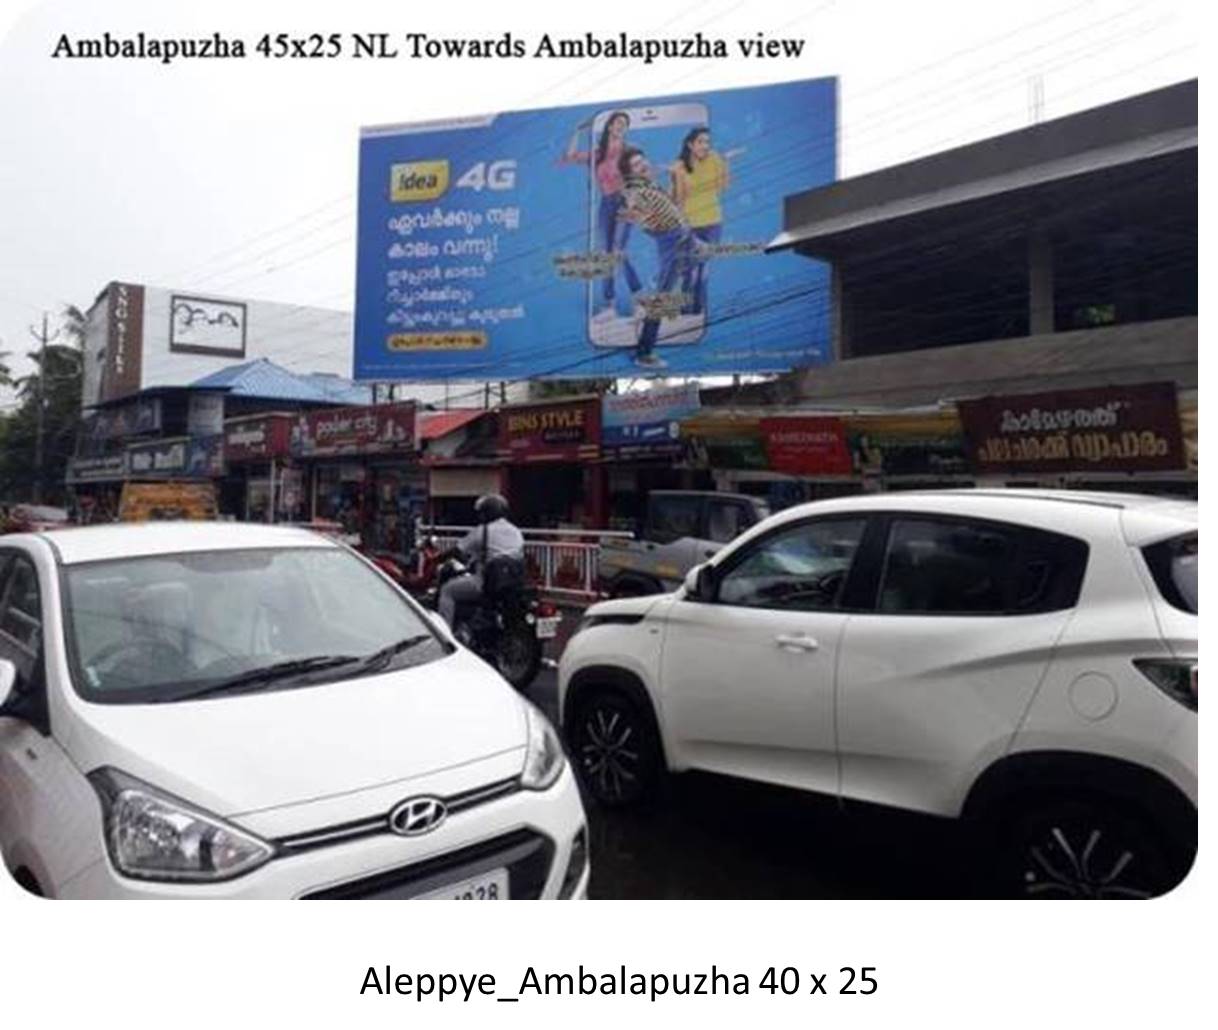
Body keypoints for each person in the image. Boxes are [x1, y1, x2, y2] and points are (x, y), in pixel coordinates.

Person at [617, 145, 703, 369]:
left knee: (701, 261)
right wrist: (634, 212)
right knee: (662, 298)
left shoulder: (649, 185)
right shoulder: (636, 191)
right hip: (672, 241)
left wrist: (675, 178)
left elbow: (675, 204)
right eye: (636, 165)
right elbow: (639, 213)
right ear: (630, 173)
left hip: (685, 235)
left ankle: (667, 281)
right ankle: (644, 353)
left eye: (643, 160)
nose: (643, 164)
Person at [559, 111, 642, 319]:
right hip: (606, 204)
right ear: (610, 127)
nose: (621, 125)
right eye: (618, 122)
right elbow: (570, 156)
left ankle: (639, 301)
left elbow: (638, 176)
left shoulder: (628, 151)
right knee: (607, 256)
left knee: (617, 251)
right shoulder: (598, 154)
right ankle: (610, 306)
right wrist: (578, 130)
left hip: (625, 200)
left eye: (625, 123)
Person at [438, 493, 525, 628]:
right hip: (512, 584)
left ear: (487, 513)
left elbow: (458, 550)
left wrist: (438, 557)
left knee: (447, 590)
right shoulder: (516, 531)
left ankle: (445, 633)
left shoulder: (483, 531)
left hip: (486, 583)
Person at [670, 127, 728, 315]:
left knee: (702, 269)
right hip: (689, 225)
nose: (705, 146)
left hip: (712, 223)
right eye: (701, 142)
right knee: (691, 271)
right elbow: (679, 198)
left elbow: (722, 187)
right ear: (690, 144)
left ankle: (697, 310)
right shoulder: (679, 166)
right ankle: (686, 310)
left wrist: (723, 164)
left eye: (707, 142)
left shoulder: (714, 159)